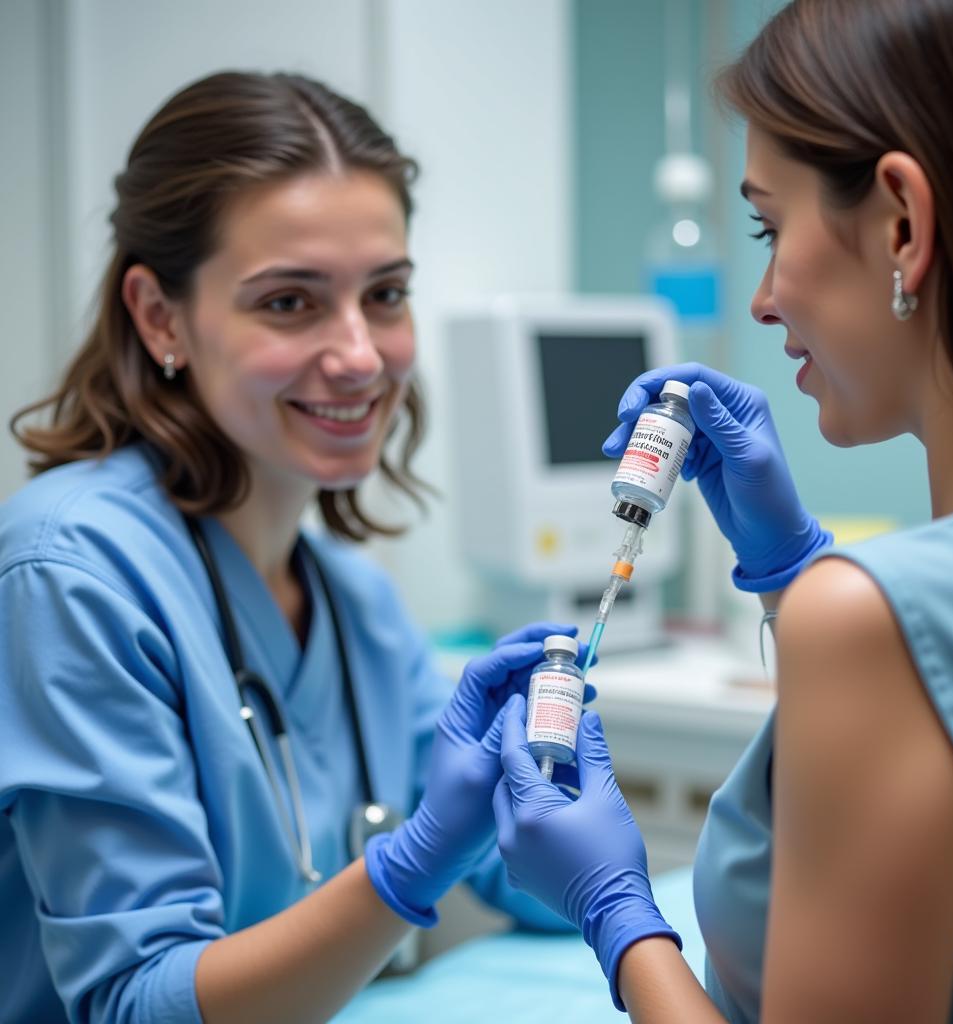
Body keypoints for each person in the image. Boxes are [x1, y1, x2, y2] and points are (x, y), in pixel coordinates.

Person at [0, 70, 577, 1024]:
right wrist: (413, 863)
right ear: (160, 317)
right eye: (289, 304)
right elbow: (134, 1004)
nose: (359, 354)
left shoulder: (357, 606)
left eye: (384, 294)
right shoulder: (69, 579)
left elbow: (524, 877)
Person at [492, 0, 953, 1020]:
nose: (763, 297)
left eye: (770, 227)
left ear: (903, 226)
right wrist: (791, 574)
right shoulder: (889, 614)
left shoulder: (874, 624)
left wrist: (618, 917)